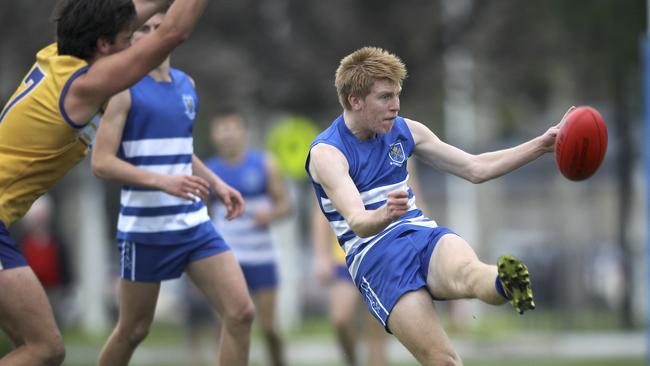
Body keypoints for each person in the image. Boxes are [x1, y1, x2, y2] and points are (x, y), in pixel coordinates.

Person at [305, 46, 573, 365]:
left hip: (421, 235)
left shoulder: (407, 131)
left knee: (472, 273)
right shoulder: (327, 153)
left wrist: (541, 145)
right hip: (377, 259)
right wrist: (385, 213)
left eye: (397, 95)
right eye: (385, 97)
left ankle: (505, 283)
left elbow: (475, 168)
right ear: (355, 100)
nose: (396, 106)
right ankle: (500, 284)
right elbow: (358, 221)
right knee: (445, 361)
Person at [0, 0, 210, 364]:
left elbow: (138, 13)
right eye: (130, 39)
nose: (136, 42)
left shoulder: (60, 54)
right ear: (103, 45)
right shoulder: (85, 85)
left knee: (28, 344)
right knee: (46, 348)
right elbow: (173, 33)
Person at [91, 12, 254, 366]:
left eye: (158, 27)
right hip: (145, 231)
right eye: (142, 30)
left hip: (193, 226)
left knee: (241, 313)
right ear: (132, 40)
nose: (152, 34)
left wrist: (217, 183)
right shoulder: (122, 89)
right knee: (134, 330)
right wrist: (163, 181)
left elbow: (180, 150)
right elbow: (101, 162)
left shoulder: (186, 85)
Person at [204, 109, 291, 366]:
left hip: (261, 257)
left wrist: (272, 214)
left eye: (233, 128)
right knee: (224, 325)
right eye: (222, 129)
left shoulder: (264, 163)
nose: (228, 135)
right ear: (214, 135)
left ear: (243, 132)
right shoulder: (209, 171)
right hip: (226, 260)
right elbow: (202, 214)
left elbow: (286, 205)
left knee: (269, 328)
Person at [312, 199, 387, 366]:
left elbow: (412, 196)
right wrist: (321, 256)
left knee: (375, 326)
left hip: (380, 252)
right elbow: (320, 212)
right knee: (341, 319)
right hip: (344, 256)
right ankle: (353, 362)